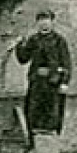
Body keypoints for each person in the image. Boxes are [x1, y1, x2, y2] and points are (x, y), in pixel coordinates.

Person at [15, 9, 72, 137]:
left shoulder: (59, 40)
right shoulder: (33, 40)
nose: (44, 24)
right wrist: (19, 44)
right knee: (33, 113)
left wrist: (64, 82)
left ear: (52, 22)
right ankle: (33, 145)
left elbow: (66, 63)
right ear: (37, 23)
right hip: (37, 83)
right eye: (41, 20)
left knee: (53, 114)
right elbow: (23, 59)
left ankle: (52, 144)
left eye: (46, 20)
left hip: (53, 83)